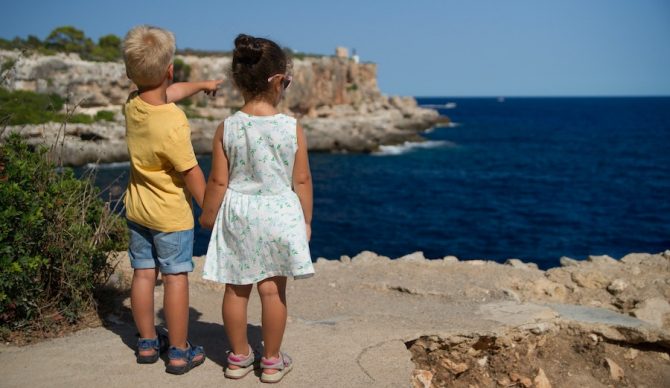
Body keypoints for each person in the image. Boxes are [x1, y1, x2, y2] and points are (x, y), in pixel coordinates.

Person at [199, 33, 315, 383]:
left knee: (236, 289)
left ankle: (238, 358)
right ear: (279, 81)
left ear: (238, 81)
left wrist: (206, 215)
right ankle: (272, 361)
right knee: (272, 290)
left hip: (239, 213)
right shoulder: (291, 127)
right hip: (279, 213)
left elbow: (218, 182)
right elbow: (303, 180)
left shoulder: (227, 128)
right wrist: (306, 222)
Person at [121, 25, 222, 375]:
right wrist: (211, 213)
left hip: (137, 212)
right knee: (176, 277)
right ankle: (179, 351)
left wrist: (202, 86)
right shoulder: (173, 122)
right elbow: (192, 172)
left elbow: (166, 93)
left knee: (143, 274)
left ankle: (148, 342)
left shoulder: (132, 105)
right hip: (171, 218)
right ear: (169, 69)